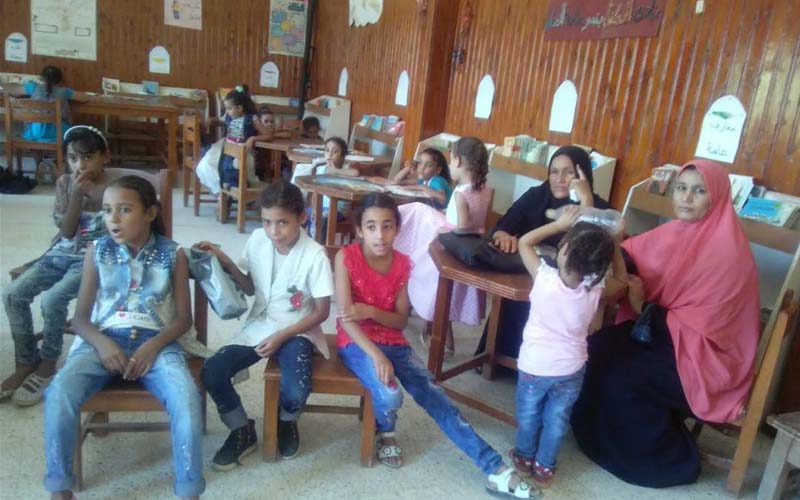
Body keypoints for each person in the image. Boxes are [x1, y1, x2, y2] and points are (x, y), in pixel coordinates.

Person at [570, 159, 761, 487]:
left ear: (716, 198)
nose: (687, 197)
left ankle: (672, 459)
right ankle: (596, 436)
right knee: (595, 348)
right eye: (682, 188)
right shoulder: (676, 231)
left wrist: (641, 305)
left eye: (699, 191)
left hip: (704, 360)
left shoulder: (728, 252)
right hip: (668, 335)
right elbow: (636, 252)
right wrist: (619, 258)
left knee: (623, 375)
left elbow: (705, 329)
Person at [335, 193, 537, 499]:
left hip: (391, 339)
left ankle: (494, 468)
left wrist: (372, 312)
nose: (380, 235)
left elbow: (399, 321)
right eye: (371, 227)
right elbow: (347, 319)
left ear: (397, 229)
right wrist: (377, 356)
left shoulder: (403, 263)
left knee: (436, 395)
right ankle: (386, 431)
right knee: (390, 395)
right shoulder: (346, 257)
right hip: (357, 342)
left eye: (387, 226)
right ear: (360, 230)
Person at [43, 176, 205, 499]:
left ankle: (189, 490)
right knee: (59, 391)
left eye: (125, 210)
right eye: (107, 210)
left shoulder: (173, 253)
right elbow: (80, 319)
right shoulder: (96, 251)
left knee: (186, 398)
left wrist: (152, 347)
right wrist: (103, 344)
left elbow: (183, 320)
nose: (113, 219)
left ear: (150, 213)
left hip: (157, 341)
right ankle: (60, 488)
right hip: (102, 339)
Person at [198, 180, 333, 469]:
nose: (274, 231)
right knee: (213, 370)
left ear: (302, 217)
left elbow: (322, 312)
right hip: (260, 323)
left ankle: (286, 420)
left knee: (296, 389)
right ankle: (241, 430)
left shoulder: (315, 255)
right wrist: (224, 259)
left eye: (282, 222)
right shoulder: (259, 239)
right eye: (266, 221)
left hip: (297, 329)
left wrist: (282, 335)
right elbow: (250, 288)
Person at [510, 207, 626, 488]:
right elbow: (623, 281)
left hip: (535, 365)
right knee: (557, 419)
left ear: (564, 252)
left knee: (528, 415)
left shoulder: (544, 278)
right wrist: (614, 244)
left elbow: (524, 242)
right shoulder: (594, 289)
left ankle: (524, 457)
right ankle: (545, 466)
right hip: (572, 369)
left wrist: (559, 224)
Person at [1, 126, 111, 406]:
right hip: (60, 253)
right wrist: (75, 196)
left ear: (104, 157)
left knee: (53, 300)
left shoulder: (115, 189)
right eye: (73, 158)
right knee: (13, 294)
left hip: (93, 260)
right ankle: (26, 360)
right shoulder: (65, 183)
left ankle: (48, 361)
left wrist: (92, 195)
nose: (80, 165)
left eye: (87, 157)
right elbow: (67, 232)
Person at [475, 145, 611, 365]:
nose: (559, 179)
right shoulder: (537, 196)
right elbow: (504, 224)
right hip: (529, 274)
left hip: (567, 292)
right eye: (554, 172)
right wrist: (503, 235)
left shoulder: (599, 208)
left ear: (583, 175)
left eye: (568, 172)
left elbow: (592, 249)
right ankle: (498, 362)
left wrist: (585, 200)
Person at [393, 137, 494, 354]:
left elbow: (462, 226)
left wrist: (444, 230)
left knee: (429, 282)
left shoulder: (461, 193)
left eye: (451, 160)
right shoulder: (486, 190)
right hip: (472, 244)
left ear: (458, 161)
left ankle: (439, 333)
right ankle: (439, 333)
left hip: (451, 245)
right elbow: (476, 222)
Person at [195, 85, 274, 194]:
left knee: (231, 167)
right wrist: (211, 121)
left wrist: (252, 138)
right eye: (226, 108)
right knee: (205, 164)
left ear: (240, 108)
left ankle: (230, 189)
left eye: (229, 108)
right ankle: (220, 191)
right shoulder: (229, 116)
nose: (227, 111)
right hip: (226, 146)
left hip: (241, 150)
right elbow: (220, 120)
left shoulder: (252, 118)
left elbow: (268, 135)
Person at [292, 136, 359, 237]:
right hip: (319, 206)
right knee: (301, 215)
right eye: (327, 150)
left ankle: (320, 242)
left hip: (338, 210)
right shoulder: (321, 169)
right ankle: (301, 240)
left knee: (322, 218)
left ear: (342, 156)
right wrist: (314, 209)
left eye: (335, 151)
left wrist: (335, 171)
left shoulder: (346, 168)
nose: (330, 154)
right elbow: (314, 192)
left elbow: (355, 173)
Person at [15, 65, 85, 143]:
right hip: (58, 133)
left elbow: (12, 90)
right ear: (60, 80)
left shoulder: (33, 87)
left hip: (35, 132)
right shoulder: (64, 91)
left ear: (41, 78)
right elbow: (86, 98)